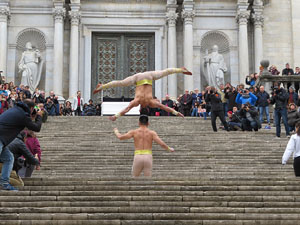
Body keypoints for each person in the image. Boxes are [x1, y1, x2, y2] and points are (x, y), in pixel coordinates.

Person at [93, 68, 191, 121]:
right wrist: (116, 116)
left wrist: (177, 113)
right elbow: (126, 110)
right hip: (139, 78)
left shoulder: (151, 102)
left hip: (148, 77)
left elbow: (165, 108)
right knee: (121, 83)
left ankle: (180, 70)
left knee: (165, 72)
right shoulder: (137, 102)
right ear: (140, 109)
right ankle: (102, 86)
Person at [0, 99, 42, 191]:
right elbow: (36, 128)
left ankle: (4, 183)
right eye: (34, 108)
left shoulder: (15, 110)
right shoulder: (22, 115)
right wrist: (39, 116)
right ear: (31, 108)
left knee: (8, 158)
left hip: (2, 141)